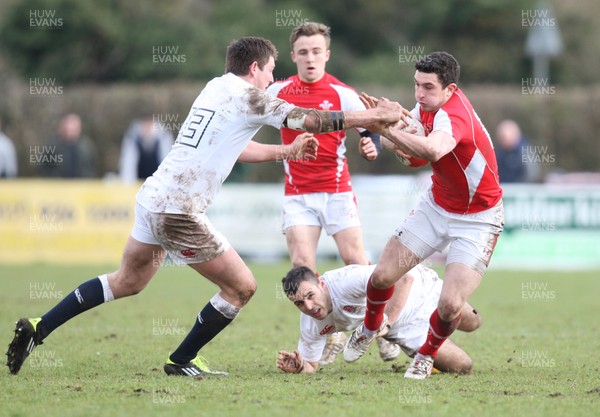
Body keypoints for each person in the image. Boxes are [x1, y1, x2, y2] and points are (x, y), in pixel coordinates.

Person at [6, 36, 402, 378]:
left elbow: (236, 146)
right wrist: (374, 117)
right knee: (242, 286)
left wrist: (287, 150)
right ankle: (182, 359)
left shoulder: (216, 87)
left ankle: (39, 327)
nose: (272, 80)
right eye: (270, 71)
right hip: (179, 210)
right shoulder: (251, 95)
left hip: (153, 198)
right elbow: (313, 120)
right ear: (254, 67)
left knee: (128, 280)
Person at [345, 51, 504, 380]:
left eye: (428, 87)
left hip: (478, 218)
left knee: (449, 306)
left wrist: (384, 129)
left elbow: (431, 149)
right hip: (436, 205)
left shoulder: (453, 115)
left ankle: (426, 355)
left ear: (450, 90)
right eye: (416, 85)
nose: (419, 94)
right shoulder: (426, 107)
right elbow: (414, 156)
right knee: (381, 276)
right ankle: (370, 327)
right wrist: (393, 123)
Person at [266, 22, 397, 366]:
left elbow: (371, 126)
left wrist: (372, 144)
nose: (310, 59)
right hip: (298, 195)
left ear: (327, 54)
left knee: (358, 262)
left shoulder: (342, 92)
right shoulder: (277, 90)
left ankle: (380, 328)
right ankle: (330, 333)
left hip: (337, 192)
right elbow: (248, 113)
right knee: (302, 269)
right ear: (293, 56)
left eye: (316, 52)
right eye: (303, 52)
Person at [276, 264, 481, 374]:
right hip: (404, 330)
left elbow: (404, 278)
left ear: (320, 283)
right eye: (299, 304)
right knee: (462, 367)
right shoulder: (310, 323)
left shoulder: (346, 280)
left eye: (310, 296)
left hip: (422, 289)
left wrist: (386, 321)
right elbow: (311, 365)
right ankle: (429, 354)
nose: (308, 307)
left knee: (474, 323)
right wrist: (301, 367)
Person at [119, 115, 174, 183]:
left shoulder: (163, 138)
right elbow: (128, 166)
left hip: (158, 182)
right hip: (138, 183)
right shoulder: (132, 138)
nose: (147, 128)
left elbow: (167, 165)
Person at [41, 113, 97, 178]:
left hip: (81, 185)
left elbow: (90, 168)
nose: (70, 129)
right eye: (68, 126)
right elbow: (45, 169)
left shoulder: (86, 147)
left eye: (73, 127)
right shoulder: (52, 146)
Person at [494, 119, 538, 183]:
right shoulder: (498, 153)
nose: (503, 139)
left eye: (505, 136)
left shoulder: (526, 151)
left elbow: (532, 174)